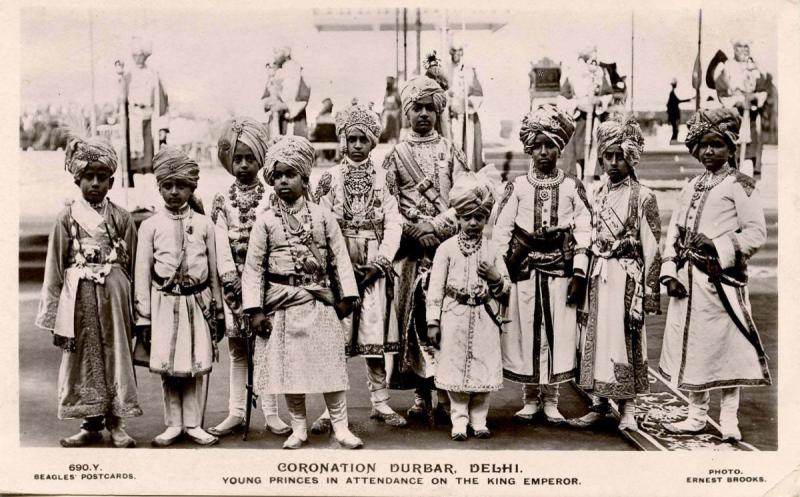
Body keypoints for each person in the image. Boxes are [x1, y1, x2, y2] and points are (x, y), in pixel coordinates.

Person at [241, 136, 364, 449]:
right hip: (282, 306)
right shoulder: (265, 221)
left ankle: (340, 426)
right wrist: (255, 311)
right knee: (290, 372)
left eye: (290, 174)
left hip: (319, 303)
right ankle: (298, 428)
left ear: (304, 178)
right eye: (278, 176)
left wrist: (346, 297)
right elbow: (253, 268)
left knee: (329, 368)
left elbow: (339, 257)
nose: (283, 181)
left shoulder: (323, 217)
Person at [658, 108, 770, 442]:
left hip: (722, 282)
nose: (709, 152)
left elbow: (756, 233)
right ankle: (696, 415)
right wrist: (669, 272)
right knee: (695, 348)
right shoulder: (690, 186)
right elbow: (674, 233)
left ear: (731, 147)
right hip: (689, 285)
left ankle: (729, 419)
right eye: (704, 145)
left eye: (717, 145)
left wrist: (717, 245)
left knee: (728, 348)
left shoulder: (741, 185)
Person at [35, 131, 141, 448]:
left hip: (114, 299)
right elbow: (54, 267)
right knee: (83, 357)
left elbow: (134, 265)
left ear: (111, 181)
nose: (95, 184)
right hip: (78, 300)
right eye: (88, 177)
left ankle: (117, 423)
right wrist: (53, 312)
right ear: (77, 180)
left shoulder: (122, 218)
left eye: (102, 178)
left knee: (116, 356)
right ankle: (89, 423)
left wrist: (140, 309)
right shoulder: (66, 219)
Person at [493, 103, 591, 424]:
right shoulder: (517, 187)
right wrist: (499, 273)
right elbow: (502, 231)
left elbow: (584, 229)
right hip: (524, 272)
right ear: (529, 150)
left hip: (559, 272)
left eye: (551, 146)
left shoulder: (572, 187)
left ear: (560, 149)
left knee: (556, 334)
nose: (545, 152)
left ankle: (552, 399)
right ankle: (530, 398)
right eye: (539, 146)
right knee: (526, 332)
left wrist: (579, 271)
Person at [311, 103, 407, 432]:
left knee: (373, 336)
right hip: (340, 268)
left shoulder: (385, 179)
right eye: (350, 139)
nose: (356, 145)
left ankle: (379, 401)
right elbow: (320, 224)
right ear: (342, 140)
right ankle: (330, 409)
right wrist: (338, 265)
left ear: (372, 142)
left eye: (362, 140)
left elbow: (395, 223)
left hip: (373, 267)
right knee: (336, 336)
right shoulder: (328, 179)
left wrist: (381, 263)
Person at [381, 75, 469, 422]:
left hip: (446, 247)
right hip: (412, 251)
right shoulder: (395, 156)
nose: (423, 114)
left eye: (429, 108)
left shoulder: (452, 151)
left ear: (438, 112)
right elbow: (386, 202)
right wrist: (413, 231)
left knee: (446, 319)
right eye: (416, 108)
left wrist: (435, 226)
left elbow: (467, 197)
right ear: (406, 112)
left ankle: (448, 393)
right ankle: (421, 394)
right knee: (415, 319)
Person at [569, 116, 662, 432]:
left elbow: (652, 249)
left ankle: (629, 410)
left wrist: (648, 293)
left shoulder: (644, 196)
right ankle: (597, 404)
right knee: (595, 339)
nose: (612, 162)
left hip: (627, 279)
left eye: (619, 155)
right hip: (599, 275)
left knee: (626, 339)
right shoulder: (597, 192)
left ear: (632, 156)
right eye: (607, 155)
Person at [134, 147, 225, 447]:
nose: (174, 192)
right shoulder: (149, 226)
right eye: (168, 185)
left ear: (192, 187)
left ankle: (193, 424)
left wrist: (218, 309)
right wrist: (143, 318)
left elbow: (213, 271)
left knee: (194, 365)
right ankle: (173, 424)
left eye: (181, 185)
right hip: (163, 304)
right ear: (159, 187)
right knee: (170, 370)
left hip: (197, 305)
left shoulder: (204, 225)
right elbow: (142, 275)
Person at [206, 118, 291, 438]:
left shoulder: (272, 198)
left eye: (250, 158)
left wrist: (261, 277)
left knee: (266, 347)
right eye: (237, 159)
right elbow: (219, 239)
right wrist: (230, 278)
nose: (243, 165)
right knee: (238, 350)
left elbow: (276, 238)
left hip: (264, 283)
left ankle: (271, 412)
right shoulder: (222, 199)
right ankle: (236, 412)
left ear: (261, 160)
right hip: (233, 285)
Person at [426, 173, 509, 441]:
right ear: (457, 218)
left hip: (485, 317)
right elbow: (435, 288)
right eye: (467, 217)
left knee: (482, 368)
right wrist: (433, 322)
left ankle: (479, 420)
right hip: (453, 317)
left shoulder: (493, 249)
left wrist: (495, 277)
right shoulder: (446, 249)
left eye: (479, 218)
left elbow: (507, 287)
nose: (473, 223)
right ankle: (459, 421)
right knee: (455, 370)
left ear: (486, 219)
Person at [124, 36, 169, 176]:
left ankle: (149, 174)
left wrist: (163, 126)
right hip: (133, 117)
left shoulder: (152, 74)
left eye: (140, 55)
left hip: (149, 116)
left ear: (145, 56)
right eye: (135, 55)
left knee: (149, 151)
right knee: (133, 152)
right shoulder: (128, 75)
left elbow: (162, 101)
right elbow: (122, 99)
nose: (137, 58)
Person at [447, 34, 484, 171]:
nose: (456, 54)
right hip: (451, 117)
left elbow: (478, 93)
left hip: (467, 117)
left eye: (459, 51)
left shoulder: (469, 71)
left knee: (468, 147)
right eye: (454, 51)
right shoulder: (447, 70)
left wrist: (468, 103)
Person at [270, 47, 311, 138]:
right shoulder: (275, 71)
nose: (274, 56)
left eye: (277, 52)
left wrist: (285, 106)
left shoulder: (298, 70)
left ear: (287, 53)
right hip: (278, 120)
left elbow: (304, 96)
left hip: (295, 120)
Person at [667, 78, 693, 142]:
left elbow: (676, 102)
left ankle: (674, 140)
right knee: (675, 128)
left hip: (673, 114)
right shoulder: (672, 93)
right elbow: (677, 101)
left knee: (675, 128)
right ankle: (673, 140)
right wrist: (688, 100)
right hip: (674, 114)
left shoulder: (672, 93)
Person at [380, 77, 402, 144]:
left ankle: (396, 140)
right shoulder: (387, 92)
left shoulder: (395, 92)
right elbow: (384, 103)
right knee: (386, 125)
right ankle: (387, 138)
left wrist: (398, 111)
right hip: (387, 111)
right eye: (387, 83)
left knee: (395, 126)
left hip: (395, 111)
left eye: (390, 83)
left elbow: (400, 103)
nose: (388, 84)